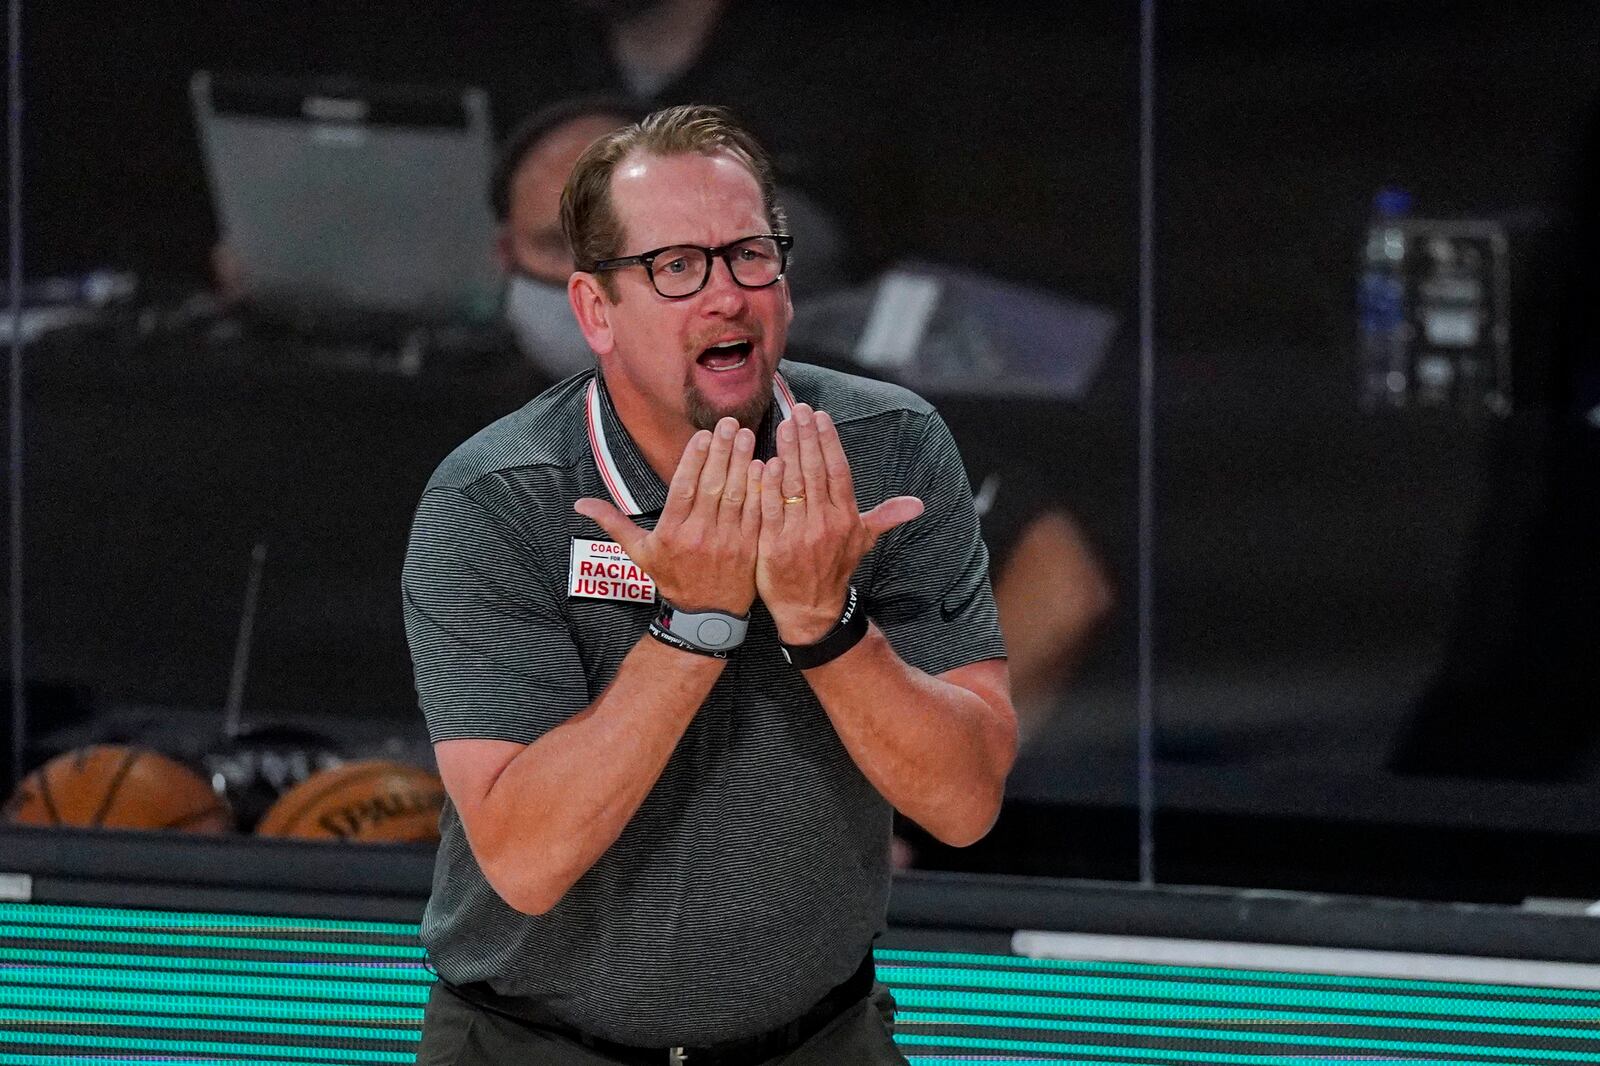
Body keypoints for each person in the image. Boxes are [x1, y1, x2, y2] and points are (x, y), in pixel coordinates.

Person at [402, 105, 1017, 1063]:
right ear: (595, 310)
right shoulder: (498, 497)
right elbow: (524, 860)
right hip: (534, 1043)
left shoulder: (891, 448)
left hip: (820, 1039)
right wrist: (693, 628)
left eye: (751, 255)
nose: (726, 296)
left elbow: (966, 803)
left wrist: (829, 627)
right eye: (677, 267)